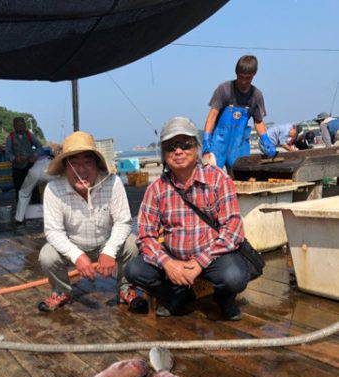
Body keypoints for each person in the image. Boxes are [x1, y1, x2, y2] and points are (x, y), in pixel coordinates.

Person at [125, 116, 250, 321]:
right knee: (135, 270)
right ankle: (177, 294)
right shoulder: (156, 189)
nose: (178, 151)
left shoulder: (219, 179)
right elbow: (145, 236)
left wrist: (199, 263)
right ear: (164, 154)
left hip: (212, 257)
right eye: (171, 146)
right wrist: (168, 264)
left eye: (185, 144)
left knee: (234, 277)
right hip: (174, 258)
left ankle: (223, 297)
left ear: (197, 148)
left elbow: (233, 229)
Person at [38, 130, 148, 313]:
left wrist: (109, 251)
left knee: (132, 243)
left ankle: (125, 288)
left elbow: (123, 222)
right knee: (47, 255)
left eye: (87, 163)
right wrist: (77, 255)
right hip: (73, 244)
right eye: (74, 164)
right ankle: (61, 291)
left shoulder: (113, 182)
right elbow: (53, 231)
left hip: (105, 241)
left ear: (97, 165)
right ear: (65, 167)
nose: (81, 170)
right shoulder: (53, 189)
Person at [202, 55, 277, 170]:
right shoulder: (224, 89)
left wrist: (266, 140)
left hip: (239, 145)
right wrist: (206, 139)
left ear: (254, 74)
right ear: (236, 73)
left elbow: (258, 122)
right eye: (240, 77)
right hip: (218, 143)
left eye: (247, 78)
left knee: (241, 175)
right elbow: (212, 116)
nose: (243, 81)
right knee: (210, 176)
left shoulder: (256, 95)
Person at [5, 117, 43, 199]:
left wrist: (35, 155)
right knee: (19, 190)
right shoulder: (10, 137)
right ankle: (21, 210)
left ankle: (35, 208)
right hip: (17, 169)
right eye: (19, 125)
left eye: (23, 125)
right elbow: (7, 153)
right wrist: (14, 158)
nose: (21, 127)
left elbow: (39, 147)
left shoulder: (29, 135)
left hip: (30, 166)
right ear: (14, 126)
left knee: (34, 190)